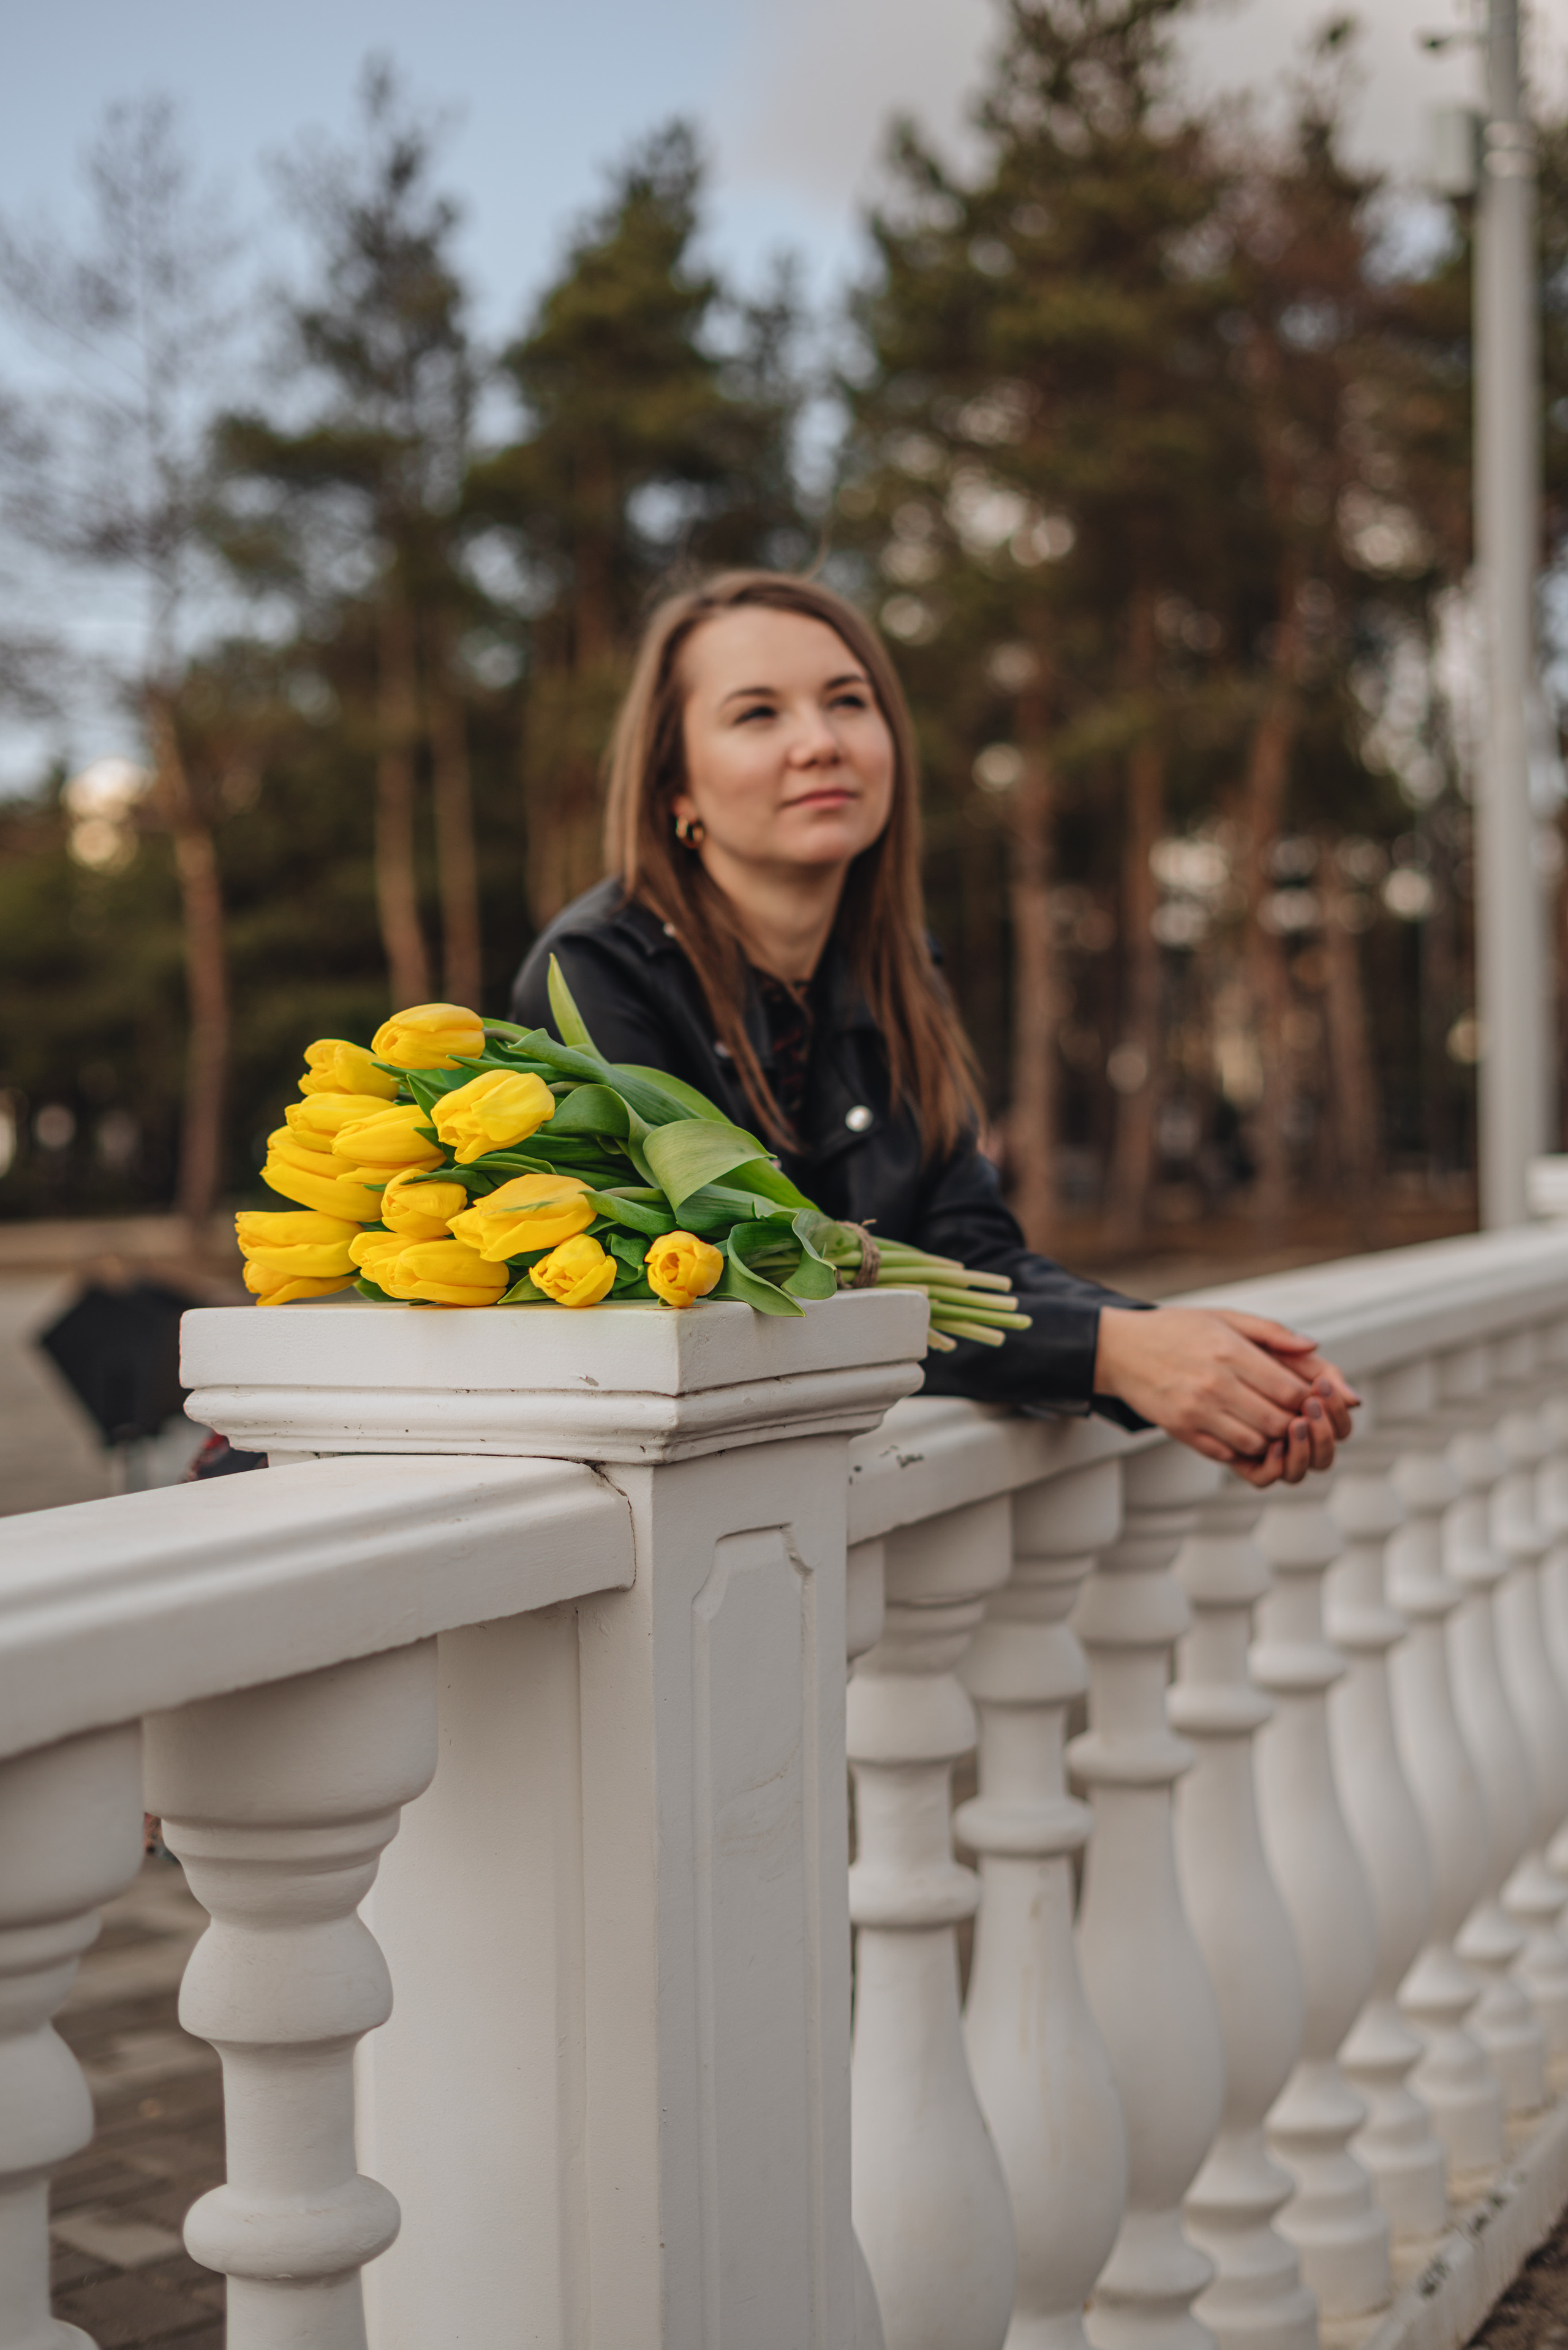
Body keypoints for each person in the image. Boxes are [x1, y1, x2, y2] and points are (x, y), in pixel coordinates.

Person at [511, 571, 1356, 1486]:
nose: (822, 743)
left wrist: (1169, 1349)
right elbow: (732, 1298)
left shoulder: (901, 970)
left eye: (848, 702)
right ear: (676, 786)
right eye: (758, 714)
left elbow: (971, 1253)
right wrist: (1109, 1353)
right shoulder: (596, 978)